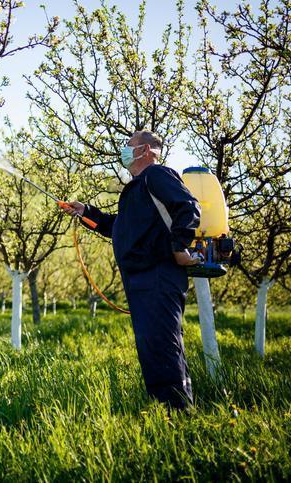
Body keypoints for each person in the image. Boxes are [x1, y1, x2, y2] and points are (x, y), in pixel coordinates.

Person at [61, 130, 201, 410]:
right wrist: (87, 212)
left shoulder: (157, 176)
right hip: (140, 281)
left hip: (159, 275)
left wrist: (178, 248)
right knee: (151, 348)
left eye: (129, 146)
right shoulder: (136, 188)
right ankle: (164, 409)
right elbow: (121, 229)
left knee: (163, 344)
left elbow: (188, 207)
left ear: (146, 150)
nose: (124, 151)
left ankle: (179, 411)